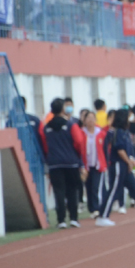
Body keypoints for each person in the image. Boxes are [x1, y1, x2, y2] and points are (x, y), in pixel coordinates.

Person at [95, 109, 135, 227]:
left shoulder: (124, 132)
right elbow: (120, 150)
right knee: (113, 191)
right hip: (118, 165)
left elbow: (128, 149)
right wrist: (129, 162)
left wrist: (131, 160)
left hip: (124, 166)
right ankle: (102, 216)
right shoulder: (117, 132)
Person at [39, 98, 86, 229]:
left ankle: (61, 220)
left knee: (58, 191)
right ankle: (74, 218)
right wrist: (77, 156)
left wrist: (49, 157)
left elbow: (45, 145)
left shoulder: (47, 127)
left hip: (54, 163)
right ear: (62, 109)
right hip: (70, 162)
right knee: (72, 190)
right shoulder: (71, 125)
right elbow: (79, 141)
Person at [80, 110, 107, 218]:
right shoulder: (81, 133)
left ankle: (97, 208)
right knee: (88, 187)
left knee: (96, 187)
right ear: (85, 120)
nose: (90, 120)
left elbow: (105, 149)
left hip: (97, 164)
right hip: (86, 165)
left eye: (92, 118)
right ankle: (91, 208)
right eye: (88, 118)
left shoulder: (100, 133)